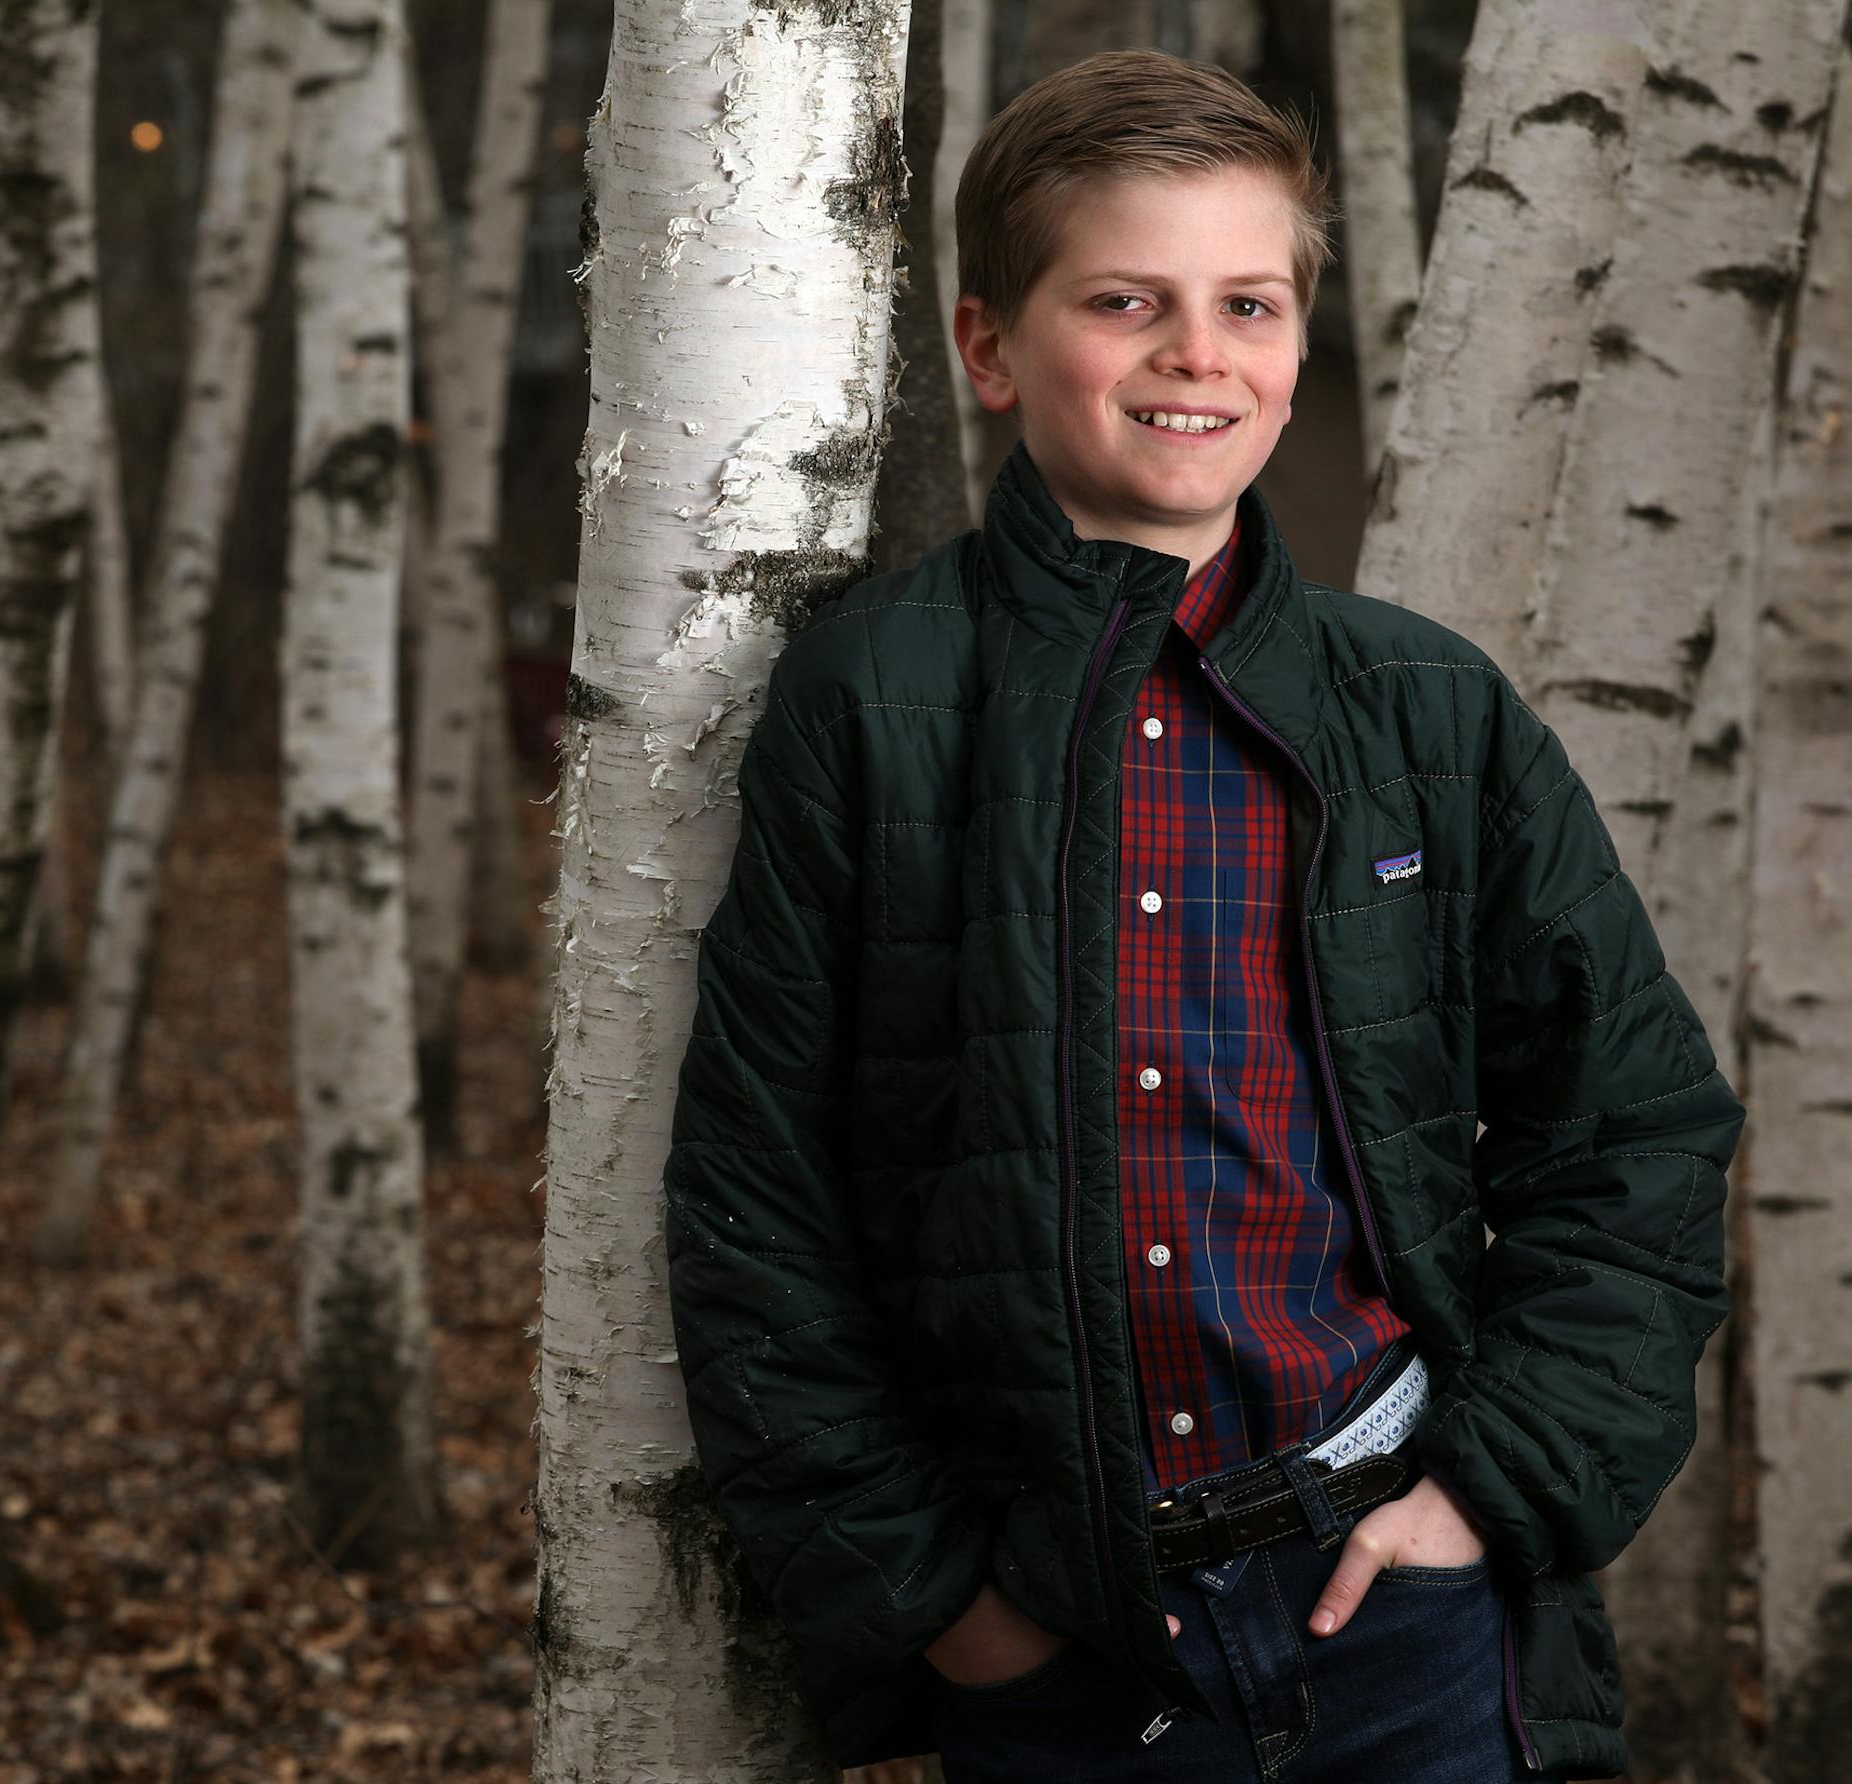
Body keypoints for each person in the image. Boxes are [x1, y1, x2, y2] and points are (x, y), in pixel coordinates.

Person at [661, 48, 1743, 1784]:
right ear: (991, 347)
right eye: (1124, 300)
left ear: (1298, 349)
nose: (1196, 352)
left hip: (1403, 1598)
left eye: (1248, 303)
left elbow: (1637, 1129)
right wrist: (950, 1609)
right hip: (1066, 1647)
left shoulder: (1426, 713)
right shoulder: (874, 699)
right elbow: (756, 1200)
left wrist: (1488, 1495)